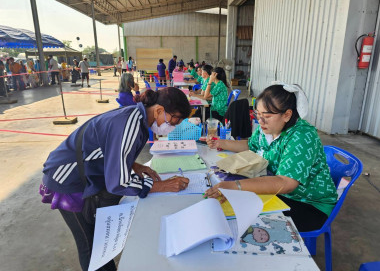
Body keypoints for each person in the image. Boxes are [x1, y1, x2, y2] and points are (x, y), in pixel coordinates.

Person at [40, 87, 191, 271]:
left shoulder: (138, 117)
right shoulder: (131, 123)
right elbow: (118, 182)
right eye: (174, 120)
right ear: (159, 110)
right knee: (89, 244)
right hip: (66, 177)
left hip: (82, 170)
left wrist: (136, 165)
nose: (173, 126)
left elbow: (112, 147)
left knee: (100, 238)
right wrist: (161, 186)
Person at [204, 83, 338, 232]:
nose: (260, 121)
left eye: (267, 116)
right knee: (235, 207)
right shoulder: (268, 128)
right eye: (258, 115)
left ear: (287, 115)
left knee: (248, 222)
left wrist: (236, 186)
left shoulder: (302, 136)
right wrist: (221, 143)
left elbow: (286, 182)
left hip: (309, 204)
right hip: (281, 192)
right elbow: (251, 145)